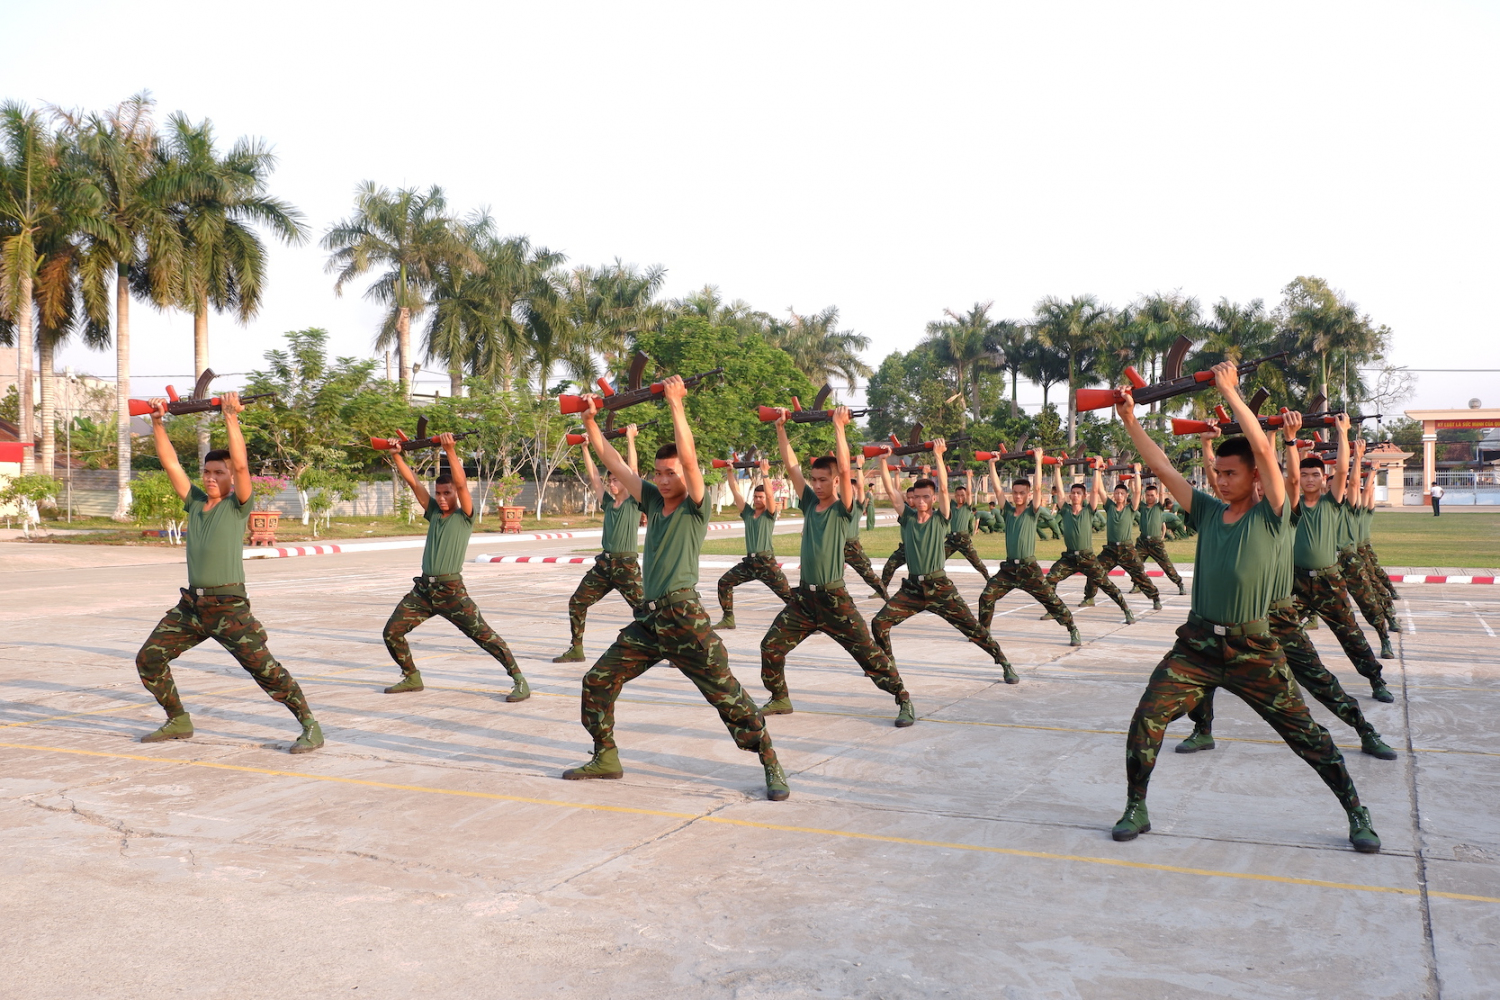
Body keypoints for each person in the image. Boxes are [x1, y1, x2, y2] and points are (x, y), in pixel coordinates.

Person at [1110, 365, 1380, 853]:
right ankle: (1136, 806)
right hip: (1197, 646)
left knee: (1306, 736)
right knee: (1146, 718)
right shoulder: (1208, 511)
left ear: (1256, 475)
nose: (1220, 480)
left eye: (1230, 473)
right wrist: (1131, 420)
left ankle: (1356, 812)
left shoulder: (1274, 515)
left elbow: (1263, 449)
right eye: (1217, 473)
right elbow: (1164, 469)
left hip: (1254, 648)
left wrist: (1231, 393)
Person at [563, 378, 788, 800]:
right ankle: (606, 756)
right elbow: (615, 463)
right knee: (596, 681)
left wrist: (676, 405)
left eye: (672, 473)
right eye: (659, 473)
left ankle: (769, 761)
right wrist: (590, 422)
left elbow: (690, 458)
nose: (664, 480)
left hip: (685, 619)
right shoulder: (651, 500)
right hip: (649, 622)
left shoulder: (694, 506)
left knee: (727, 696)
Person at [1174, 415, 1397, 763]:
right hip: (1243, 616)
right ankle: (1202, 730)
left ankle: (1365, 731)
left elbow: (1291, 478)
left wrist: (1285, 439)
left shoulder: (1281, 513)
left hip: (1277, 616)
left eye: (1267, 480)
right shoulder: (1239, 514)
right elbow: (1220, 481)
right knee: (1203, 670)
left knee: (1317, 679)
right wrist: (1207, 445)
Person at [133, 393, 323, 752]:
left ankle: (310, 725)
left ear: (231, 478)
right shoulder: (195, 503)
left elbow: (242, 466)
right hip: (192, 607)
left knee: (265, 670)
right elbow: (171, 464)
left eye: (218, 473)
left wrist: (231, 417)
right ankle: (178, 719)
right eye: (206, 472)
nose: (210, 478)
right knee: (149, 658)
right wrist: (157, 422)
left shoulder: (237, 505)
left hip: (228, 607)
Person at [759, 407, 914, 726]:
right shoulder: (809, 503)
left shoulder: (844, 508)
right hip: (804, 600)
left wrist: (839, 427)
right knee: (770, 647)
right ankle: (780, 698)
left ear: (835, 482)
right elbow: (791, 465)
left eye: (823, 480)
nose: (816, 485)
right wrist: (780, 429)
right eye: (814, 480)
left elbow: (844, 469)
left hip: (834, 600)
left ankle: (903, 698)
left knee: (869, 656)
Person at [383, 434, 530, 701]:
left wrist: (450, 450)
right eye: (438, 493)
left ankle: (519, 680)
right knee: (392, 632)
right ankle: (412, 677)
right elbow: (414, 483)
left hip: (451, 592)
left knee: (485, 636)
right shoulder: (434, 513)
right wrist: (396, 455)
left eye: (446, 493)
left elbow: (462, 485)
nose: (441, 498)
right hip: (423, 592)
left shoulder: (464, 516)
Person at [871, 445, 1017, 683]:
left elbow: (946, 488)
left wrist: (938, 456)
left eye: (926, 497)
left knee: (973, 628)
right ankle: (889, 666)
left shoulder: (940, 518)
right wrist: (882, 462)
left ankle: (1003, 662)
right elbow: (890, 490)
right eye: (917, 497)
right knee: (879, 623)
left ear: (933, 499)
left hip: (939, 587)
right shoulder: (907, 518)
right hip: (912, 589)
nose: (920, 500)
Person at [1289, 417, 1394, 703]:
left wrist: (1342, 433)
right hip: (1297, 582)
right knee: (1278, 629)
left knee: (1350, 634)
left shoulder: (1331, 503)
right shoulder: (1292, 504)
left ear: (1324, 479)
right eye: (1305, 475)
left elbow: (1344, 471)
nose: (1310, 479)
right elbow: (1290, 478)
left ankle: (1376, 680)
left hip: (1329, 581)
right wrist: (1291, 443)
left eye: (1315, 475)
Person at [554, 427, 645, 661]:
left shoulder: (633, 502)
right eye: (610, 480)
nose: (611, 483)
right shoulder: (608, 503)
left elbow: (633, 471)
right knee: (577, 603)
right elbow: (594, 477)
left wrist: (630, 440)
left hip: (626, 566)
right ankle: (576, 649)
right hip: (604, 566)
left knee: (646, 611)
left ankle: (672, 652)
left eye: (616, 480)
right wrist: (585, 448)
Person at [976, 450, 1082, 646]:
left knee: (1051, 600)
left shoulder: (1032, 511)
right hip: (1009, 569)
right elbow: (998, 490)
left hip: (1029, 569)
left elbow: (1039, 488)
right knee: (986, 596)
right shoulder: (1007, 511)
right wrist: (992, 464)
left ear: (1028, 495)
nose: (1017, 496)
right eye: (1015, 492)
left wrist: (1038, 462)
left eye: (1022, 493)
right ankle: (984, 631)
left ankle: (1072, 628)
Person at [1043, 461, 1137, 624]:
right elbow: (1059, 491)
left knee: (1107, 585)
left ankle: (1126, 610)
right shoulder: (1065, 510)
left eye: (1078, 493)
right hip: (1069, 558)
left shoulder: (1089, 510)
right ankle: (1053, 610)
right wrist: (1057, 469)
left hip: (1087, 558)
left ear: (1084, 496)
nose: (1075, 495)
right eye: (1073, 493)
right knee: (1050, 579)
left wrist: (1096, 469)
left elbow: (1094, 490)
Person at [712, 458, 793, 629]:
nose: (757, 500)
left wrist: (765, 472)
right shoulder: (748, 513)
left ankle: (808, 622)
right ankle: (728, 619)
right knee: (724, 582)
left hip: (766, 562)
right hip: (750, 563)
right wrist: (729, 472)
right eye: (755, 497)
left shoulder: (769, 514)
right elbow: (735, 491)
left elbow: (770, 496)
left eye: (760, 497)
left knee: (788, 595)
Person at [1335, 444, 1394, 660]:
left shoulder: (1352, 507)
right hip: (1325, 564)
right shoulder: (1321, 506)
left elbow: (1357, 486)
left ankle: (1384, 636)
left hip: (1349, 558)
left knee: (1369, 600)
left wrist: (1366, 466)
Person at [1083, 465, 1162, 612]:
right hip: (1110, 550)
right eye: (1116, 493)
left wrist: (1137, 472)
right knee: (1094, 571)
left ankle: (1155, 598)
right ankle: (1089, 597)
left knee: (1139, 575)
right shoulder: (1109, 507)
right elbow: (1099, 489)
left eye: (1121, 493)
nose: (1119, 495)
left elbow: (1137, 491)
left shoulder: (1131, 508)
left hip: (1127, 549)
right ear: (1113, 495)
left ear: (1126, 496)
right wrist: (1097, 470)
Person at [841, 456, 890, 600]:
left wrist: (859, 467)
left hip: (851, 545)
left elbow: (861, 486)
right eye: (848, 487)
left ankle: (885, 596)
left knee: (867, 572)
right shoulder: (837, 503)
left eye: (853, 487)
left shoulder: (858, 504)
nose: (850, 489)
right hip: (835, 544)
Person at [1136, 482, 1186, 595]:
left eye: (1152, 495)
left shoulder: (1159, 507)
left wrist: (1161, 478)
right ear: (1145, 496)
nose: (1150, 497)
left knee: (1166, 566)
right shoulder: (1142, 507)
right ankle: (1137, 585)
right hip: (1142, 542)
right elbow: (1136, 492)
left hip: (1155, 542)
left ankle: (1179, 583)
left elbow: (1162, 493)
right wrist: (1136, 477)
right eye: (1148, 495)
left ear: (1156, 496)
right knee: (1136, 564)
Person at [944, 471, 991, 579]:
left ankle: (989, 579)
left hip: (963, 539)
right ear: (955, 496)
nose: (960, 497)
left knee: (976, 562)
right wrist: (944, 476)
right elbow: (944, 492)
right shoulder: (952, 505)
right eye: (958, 495)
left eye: (962, 495)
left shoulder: (967, 506)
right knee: (938, 558)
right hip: (952, 539)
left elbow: (969, 493)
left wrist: (969, 477)